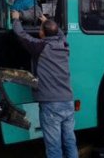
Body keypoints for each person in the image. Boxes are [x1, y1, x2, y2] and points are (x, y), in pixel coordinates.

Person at [11, 10, 78, 158]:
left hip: (51, 105)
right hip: (68, 101)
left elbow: (21, 35)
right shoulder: (64, 45)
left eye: (41, 29)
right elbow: (60, 34)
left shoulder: (40, 47)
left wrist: (16, 19)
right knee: (69, 142)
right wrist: (45, 21)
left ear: (42, 34)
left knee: (54, 147)